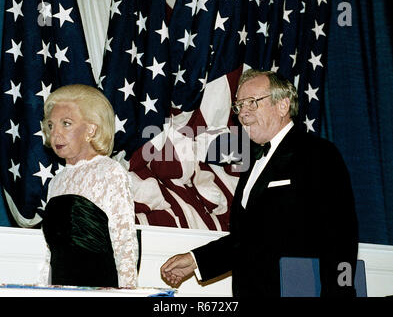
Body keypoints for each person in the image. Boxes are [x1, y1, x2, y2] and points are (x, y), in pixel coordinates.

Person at [161, 69, 359, 297]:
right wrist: (195, 260)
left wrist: (340, 294)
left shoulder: (318, 154)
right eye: (238, 106)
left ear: (283, 106)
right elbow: (250, 239)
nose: (242, 114)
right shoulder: (254, 162)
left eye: (252, 103)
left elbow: (341, 238)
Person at [38, 84, 138, 288]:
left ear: (91, 130)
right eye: (51, 125)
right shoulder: (57, 181)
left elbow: (125, 245)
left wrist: (128, 293)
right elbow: (51, 252)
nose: (55, 133)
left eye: (66, 123)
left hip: (99, 290)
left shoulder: (110, 172)